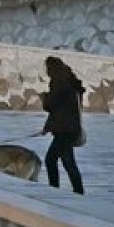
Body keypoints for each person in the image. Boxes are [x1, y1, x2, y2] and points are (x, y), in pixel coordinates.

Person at [35, 55, 86, 194]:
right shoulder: (71, 83)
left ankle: (57, 189)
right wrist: (48, 127)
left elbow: (51, 105)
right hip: (70, 129)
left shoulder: (58, 83)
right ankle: (77, 191)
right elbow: (62, 110)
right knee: (66, 162)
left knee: (53, 160)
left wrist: (44, 97)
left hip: (63, 130)